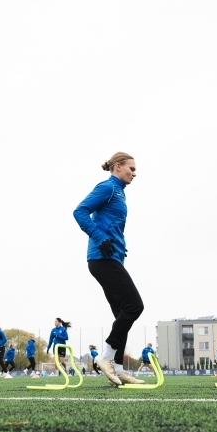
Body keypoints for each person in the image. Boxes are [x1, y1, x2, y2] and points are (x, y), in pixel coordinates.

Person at [73, 151, 145, 387]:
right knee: (135, 305)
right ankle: (105, 358)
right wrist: (100, 237)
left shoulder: (120, 194)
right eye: (131, 169)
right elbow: (80, 211)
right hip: (101, 259)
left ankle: (120, 369)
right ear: (117, 166)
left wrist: (118, 245)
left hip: (112, 258)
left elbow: (112, 225)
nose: (134, 173)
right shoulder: (108, 188)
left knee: (122, 313)